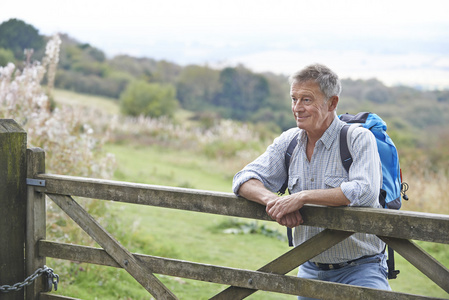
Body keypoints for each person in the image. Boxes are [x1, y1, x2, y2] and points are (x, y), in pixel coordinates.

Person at [232, 63, 391, 299]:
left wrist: (302, 197)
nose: (297, 108)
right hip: (308, 268)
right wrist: (275, 202)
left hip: (362, 269)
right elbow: (243, 179)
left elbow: (365, 191)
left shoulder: (358, 139)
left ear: (332, 103)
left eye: (306, 100)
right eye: (294, 99)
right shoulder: (290, 141)